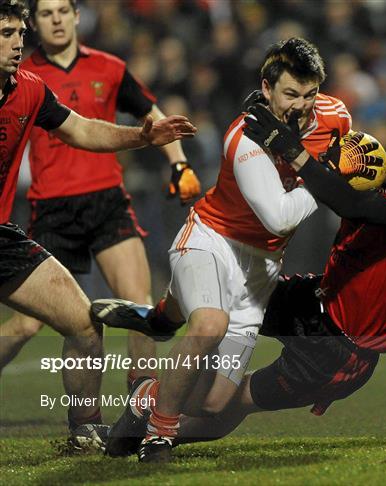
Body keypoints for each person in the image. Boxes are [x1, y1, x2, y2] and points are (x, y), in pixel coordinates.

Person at [94, 117, 386, 462]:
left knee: (223, 405)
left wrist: (297, 153)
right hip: (316, 299)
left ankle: (148, 414)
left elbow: (353, 204)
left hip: (340, 351)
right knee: (226, 290)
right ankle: (163, 320)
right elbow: (344, 187)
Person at [91, 37, 352, 462]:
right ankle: (158, 435)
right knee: (209, 324)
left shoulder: (336, 117)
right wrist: (327, 176)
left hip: (260, 271)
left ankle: (144, 397)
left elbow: (345, 154)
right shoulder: (245, 136)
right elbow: (280, 218)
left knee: (213, 404)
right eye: (290, 94)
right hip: (211, 240)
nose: (301, 106)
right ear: (267, 89)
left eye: (310, 94)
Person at [0, 0, 196, 449]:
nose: (18, 43)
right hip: (51, 209)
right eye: (6, 34)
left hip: (46, 222)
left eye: (18, 33)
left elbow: (85, 130)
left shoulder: (32, 86)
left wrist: (146, 138)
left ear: (73, 16)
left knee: (92, 321)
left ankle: (98, 424)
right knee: (25, 326)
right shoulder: (35, 72)